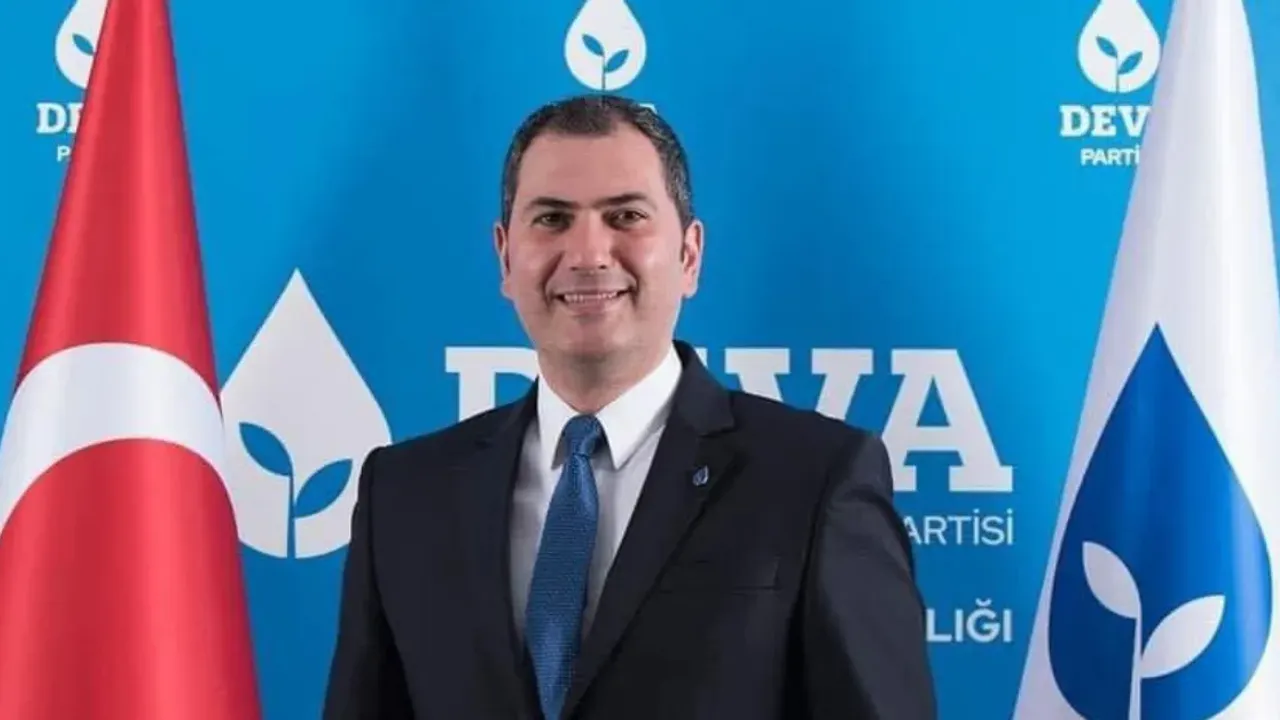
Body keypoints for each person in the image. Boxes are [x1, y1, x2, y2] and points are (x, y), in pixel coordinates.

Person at [322, 93, 936, 720]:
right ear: (505, 257)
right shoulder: (404, 495)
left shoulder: (817, 479)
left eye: (626, 216)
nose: (588, 254)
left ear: (689, 256)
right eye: (552, 219)